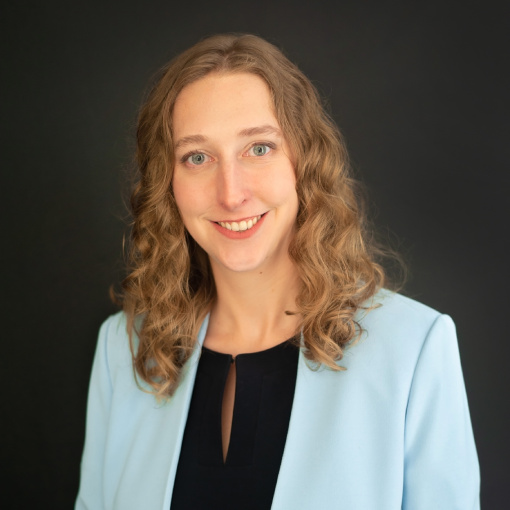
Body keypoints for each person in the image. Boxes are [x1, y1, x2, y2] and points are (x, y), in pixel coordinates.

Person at [76, 34, 479, 510]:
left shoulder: (414, 349)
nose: (230, 193)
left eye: (259, 148)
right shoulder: (122, 351)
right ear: (168, 184)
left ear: (305, 161)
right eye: (197, 157)